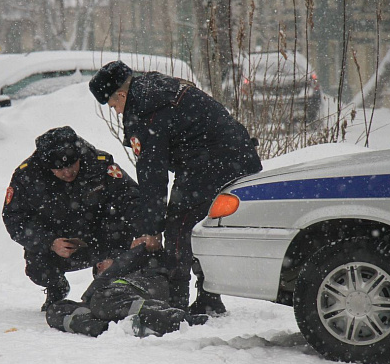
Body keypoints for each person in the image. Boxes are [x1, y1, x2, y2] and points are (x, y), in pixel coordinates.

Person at [89, 61, 263, 315]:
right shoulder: (155, 88)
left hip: (210, 163)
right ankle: (209, 297)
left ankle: (176, 300)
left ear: (122, 94)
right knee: (206, 228)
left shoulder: (144, 110)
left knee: (179, 227)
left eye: (114, 105)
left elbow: (152, 176)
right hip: (239, 157)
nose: (116, 112)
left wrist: (150, 230)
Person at [2, 126, 140, 311]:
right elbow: (14, 219)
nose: (67, 173)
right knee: (37, 267)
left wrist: (124, 249)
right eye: (59, 169)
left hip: (101, 237)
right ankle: (56, 287)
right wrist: (49, 242)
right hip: (58, 243)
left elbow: (132, 198)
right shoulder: (26, 176)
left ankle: (108, 285)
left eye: (71, 165)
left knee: (125, 239)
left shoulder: (99, 163)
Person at [45, 245, 208, 337]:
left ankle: (181, 320)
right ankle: (113, 327)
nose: (100, 267)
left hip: (141, 287)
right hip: (111, 302)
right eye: (98, 271)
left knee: (102, 299)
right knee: (55, 309)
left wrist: (91, 293)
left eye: (100, 264)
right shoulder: (104, 290)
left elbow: (133, 255)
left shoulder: (137, 260)